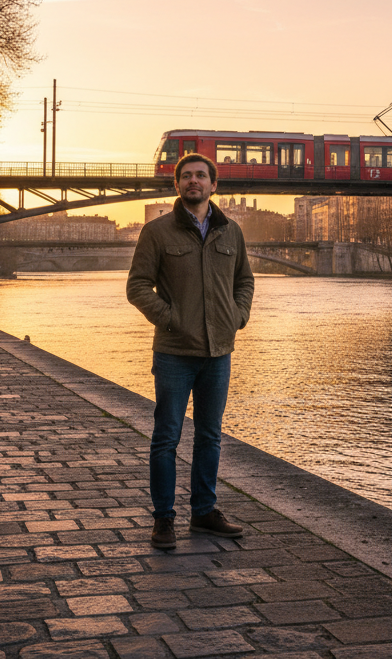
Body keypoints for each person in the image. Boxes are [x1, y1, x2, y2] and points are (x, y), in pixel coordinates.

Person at [127, 153, 254, 550]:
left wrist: (238, 315)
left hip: (219, 351)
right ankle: (164, 519)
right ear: (177, 186)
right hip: (174, 352)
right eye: (186, 176)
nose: (193, 181)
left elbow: (245, 281)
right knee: (167, 436)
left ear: (214, 185)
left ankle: (204, 513)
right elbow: (137, 286)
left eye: (201, 176)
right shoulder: (157, 232)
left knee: (210, 435)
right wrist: (170, 318)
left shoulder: (231, 232)